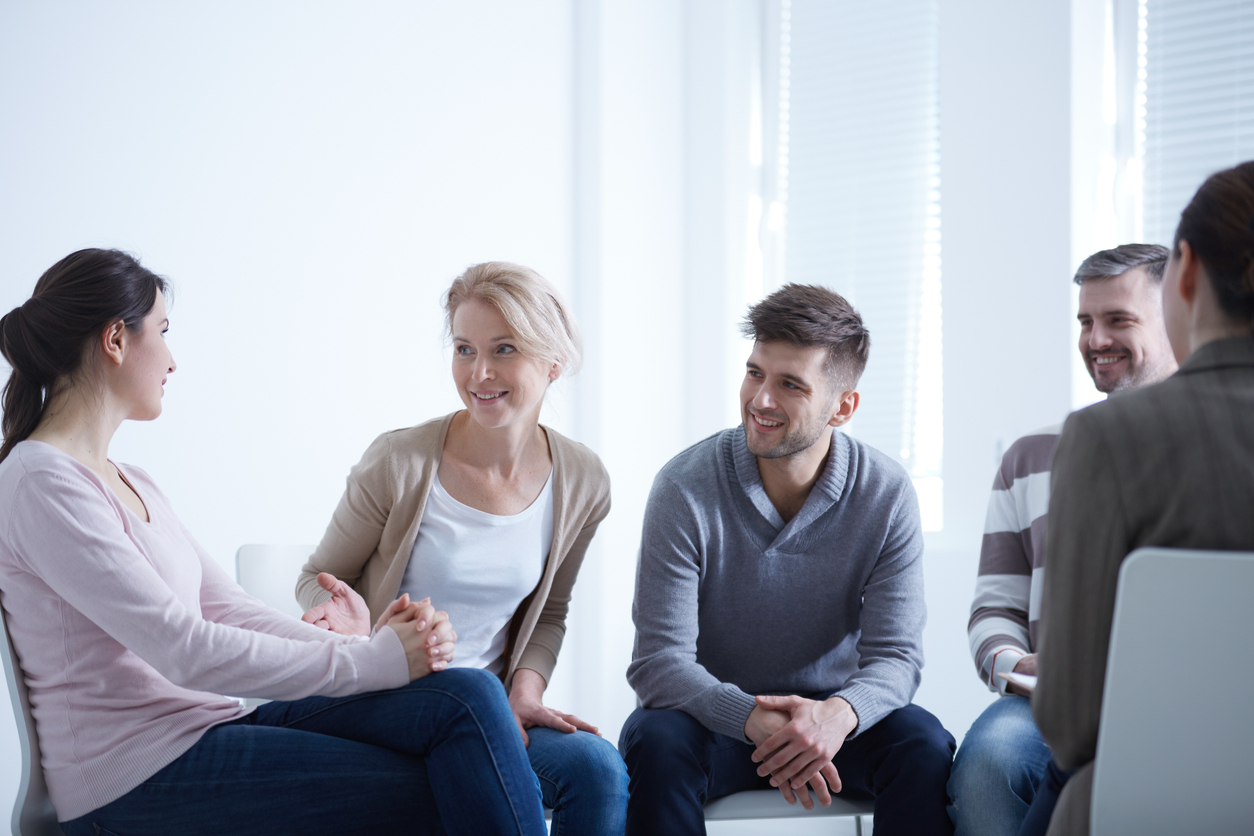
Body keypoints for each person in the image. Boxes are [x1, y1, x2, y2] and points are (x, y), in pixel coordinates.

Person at [0, 249, 547, 835]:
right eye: (161, 331)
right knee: (447, 782)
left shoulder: (132, 481)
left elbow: (226, 609)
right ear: (115, 339)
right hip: (138, 779)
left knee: (467, 696)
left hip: (208, 732)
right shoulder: (41, 482)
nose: (172, 360)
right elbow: (184, 649)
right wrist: (372, 662)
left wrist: (369, 648)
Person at [296, 261, 628, 836]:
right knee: (470, 698)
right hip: (382, 698)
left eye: (504, 350)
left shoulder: (583, 480)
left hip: (488, 712)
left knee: (597, 767)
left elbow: (548, 612)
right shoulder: (399, 461)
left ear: (552, 362)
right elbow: (319, 577)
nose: (479, 373)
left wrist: (525, 691)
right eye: (464, 349)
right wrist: (351, 628)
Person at [620, 283, 956, 836]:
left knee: (922, 744)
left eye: (790, 384)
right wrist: (754, 719)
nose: (761, 400)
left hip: (831, 727)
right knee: (655, 740)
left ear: (842, 407)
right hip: (715, 723)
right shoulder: (684, 487)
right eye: (755, 373)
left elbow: (896, 657)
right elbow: (659, 663)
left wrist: (836, 716)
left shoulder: (886, 492)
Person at [1033, 161, 1254, 835]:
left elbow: (1069, 722)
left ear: (1182, 275)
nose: (1097, 340)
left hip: (1158, 804)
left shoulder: (1107, 439)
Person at [946, 244, 1177, 836]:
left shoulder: (1210, 444)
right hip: (1048, 701)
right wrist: (1021, 663)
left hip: (1174, 700)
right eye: (1085, 322)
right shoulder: (1029, 458)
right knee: (989, 765)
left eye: (1118, 320)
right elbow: (993, 610)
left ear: (1174, 315)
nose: (1095, 339)